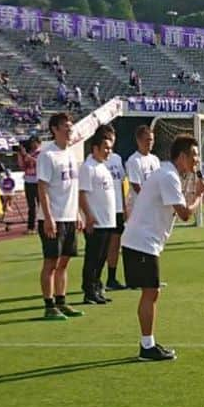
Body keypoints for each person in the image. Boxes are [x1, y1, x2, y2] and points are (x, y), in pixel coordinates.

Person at [120, 135, 204, 361]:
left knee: (152, 291)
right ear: (181, 157)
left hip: (143, 241)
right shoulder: (168, 176)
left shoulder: (169, 174)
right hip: (142, 241)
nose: (197, 160)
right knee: (151, 291)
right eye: (194, 156)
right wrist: (199, 195)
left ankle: (147, 343)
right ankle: (146, 346)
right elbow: (186, 214)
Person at [36, 111, 83, 320]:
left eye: (71, 125)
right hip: (53, 217)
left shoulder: (71, 154)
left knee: (64, 262)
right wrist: (48, 217)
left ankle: (61, 300)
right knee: (51, 263)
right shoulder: (47, 155)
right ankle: (49, 305)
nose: (70, 129)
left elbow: (74, 187)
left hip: (70, 217)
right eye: (65, 125)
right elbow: (42, 188)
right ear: (55, 129)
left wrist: (78, 214)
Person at [78, 125, 118, 305]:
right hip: (96, 222)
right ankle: (88, 290)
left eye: (110, 148)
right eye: (106, 148)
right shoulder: (88, 167)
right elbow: (82, 194)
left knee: (102, 257)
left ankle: (97, 288)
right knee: (93, 258)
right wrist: (88, 216)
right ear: (95, 148)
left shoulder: (103, 166)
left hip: (108, 220)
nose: (109, 151)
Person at [104, 144, 127, 291]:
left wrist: (124, 207)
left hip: (117, 208)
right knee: (102, 247)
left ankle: (111, 278)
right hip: (104, 209)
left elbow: (121, 184)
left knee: (115, 244)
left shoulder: (117, 159)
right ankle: (94, 280)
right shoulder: (94, 161)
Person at [125, 124, 161, 219]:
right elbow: (137, 186)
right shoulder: (134, 160)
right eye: (147, 140)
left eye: (152, 140)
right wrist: (150, 200)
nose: (150, 143)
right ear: (139, 141)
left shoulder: (155, 159)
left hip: (154, 207)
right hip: (140, 209)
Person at [17, 136, 40, 231]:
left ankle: (42, 225)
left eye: (34, 142)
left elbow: (38, 163)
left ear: (39, 143)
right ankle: (31, 227)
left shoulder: (42, 153)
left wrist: (26, 155)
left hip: (38, 182)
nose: (32, 144)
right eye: (31, 142)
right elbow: (22, 167)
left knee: (41, 205)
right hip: (28, 181)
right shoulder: (28, 153)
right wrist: (20, 155)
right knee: (31, 206)